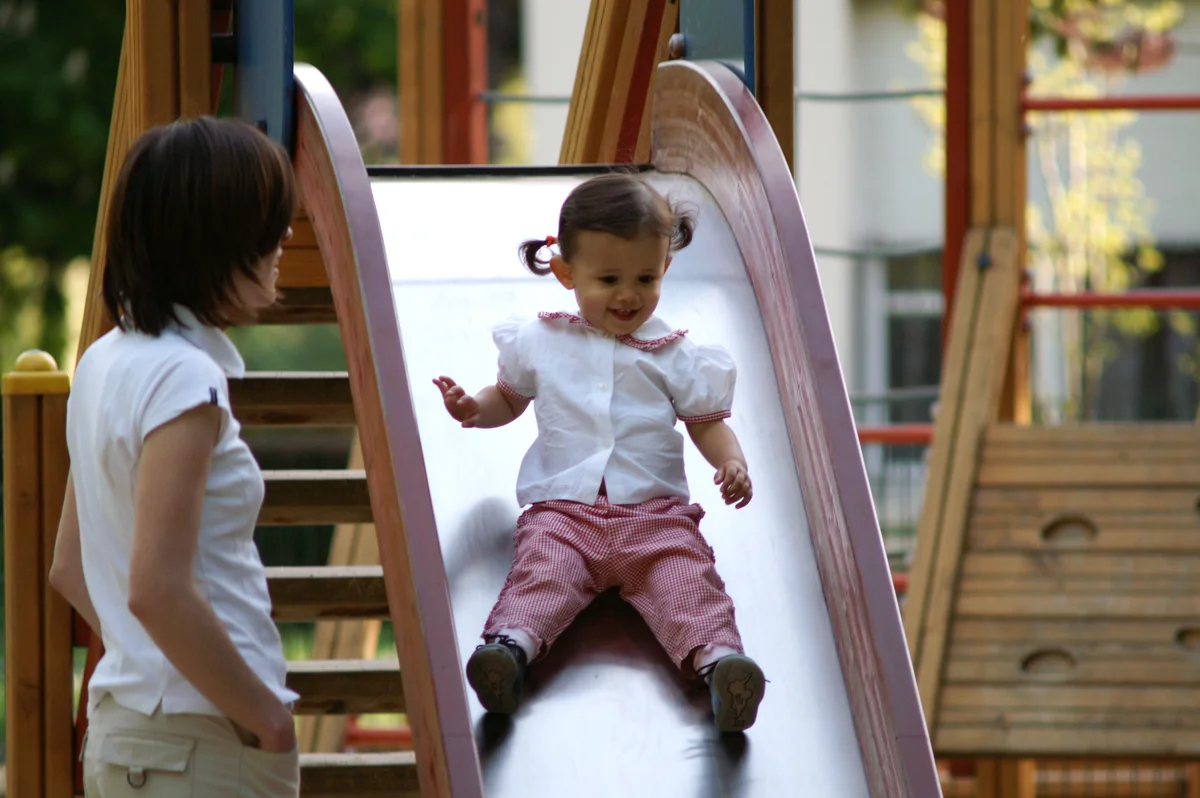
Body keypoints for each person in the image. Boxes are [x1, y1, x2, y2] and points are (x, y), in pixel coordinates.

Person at [432, 172, 767, 733]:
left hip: (656, 519)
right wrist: (474, 408)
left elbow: (708, 424)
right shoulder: (540, 341)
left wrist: (732, 462)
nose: (628, 295)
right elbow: (507, 399)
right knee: (544, 575)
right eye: (608, 279)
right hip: (564, 515)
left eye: (645, 277)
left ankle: (721, 667)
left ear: (664, 268)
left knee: (686, 582)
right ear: (566, 273)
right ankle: (509, 652)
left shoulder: (675, 353)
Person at [49, 117, 301, 795]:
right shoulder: (185, 378)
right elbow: (157, 589)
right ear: (214, 237)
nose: (284, 237)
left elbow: (69, 564)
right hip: (198, 747)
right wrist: (267, 722)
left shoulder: (102, 362)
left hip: (129, 737)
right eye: (266, 222)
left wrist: (146, 663)